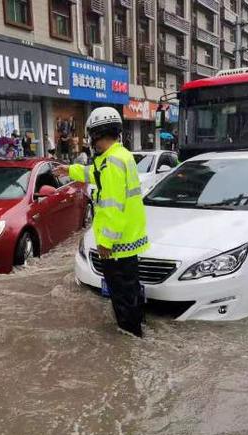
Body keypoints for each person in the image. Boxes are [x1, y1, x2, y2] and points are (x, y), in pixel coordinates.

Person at [54, 107, 149, 337]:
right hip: (130, 238)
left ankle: (130, 336)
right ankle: (137, 327)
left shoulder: (112, 163)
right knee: (131, 289)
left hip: (117, 244)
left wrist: (105, 241)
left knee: (122, 295)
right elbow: (92, 173)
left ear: (96, 134)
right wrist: (69, 169)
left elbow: (112, 207)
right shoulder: (117, 156)